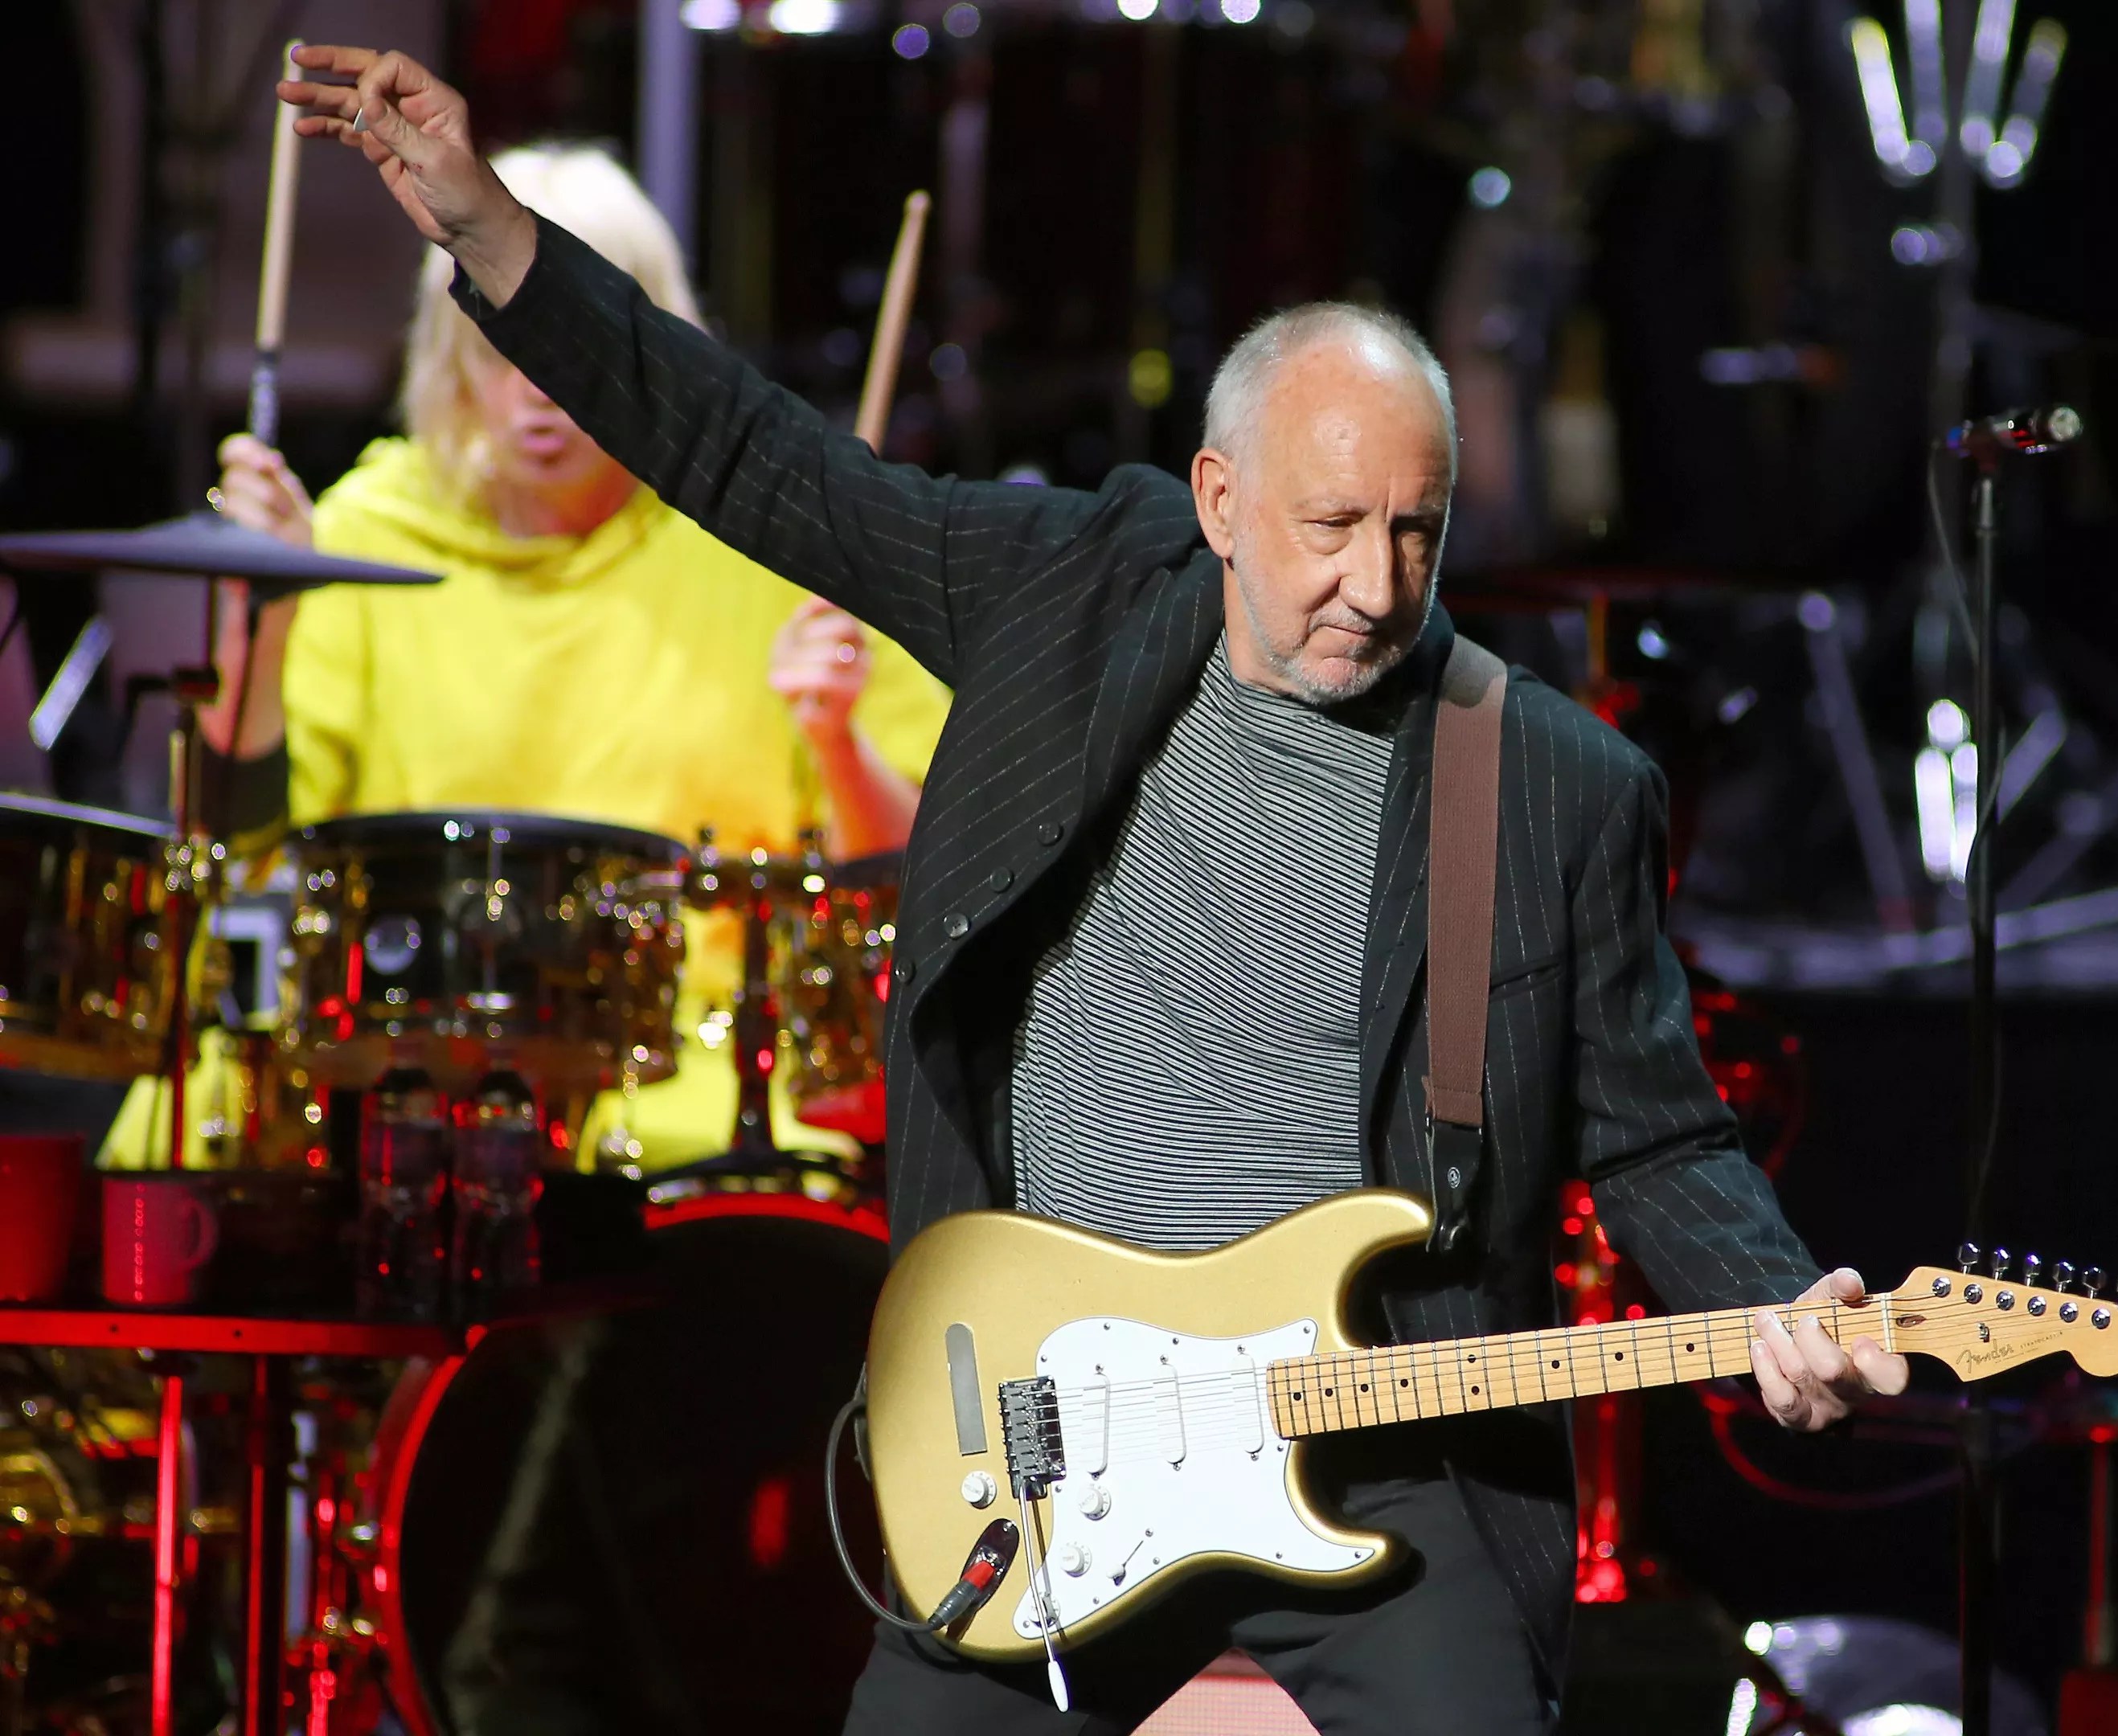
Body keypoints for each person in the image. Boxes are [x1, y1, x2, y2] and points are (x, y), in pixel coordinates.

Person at [278, 44, 1907, 1734]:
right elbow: (756, 457)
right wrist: (492, 232)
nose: (1373, 585)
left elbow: (1657, 1133)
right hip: (1049, 1427)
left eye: (1415, 533)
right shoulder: (1063, 593)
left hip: (1381, 1453)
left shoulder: (1547, 782)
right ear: (1220, 500)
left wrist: (1773, 1305)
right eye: (1331, 526)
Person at [102, 141, 951, 1173]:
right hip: (395, 1046)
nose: (540, 389)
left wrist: (836, 738)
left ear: (657, 348)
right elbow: (238, 863)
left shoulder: (775, 541)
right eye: (503, 340)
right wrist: (263, 627)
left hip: (692, 1069)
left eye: (578, 343)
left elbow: (924, 893)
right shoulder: (362, 532)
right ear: (450, 351)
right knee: (169, 1128)